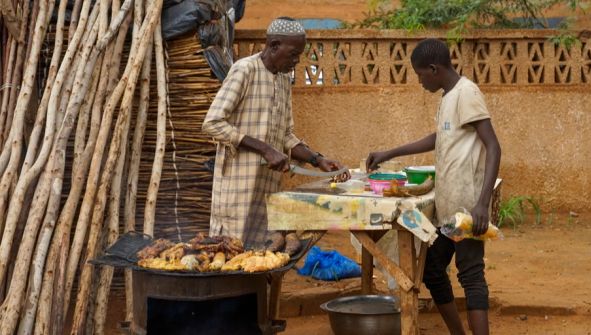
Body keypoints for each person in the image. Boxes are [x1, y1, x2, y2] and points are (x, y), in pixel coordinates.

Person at [366, 38, 501, 335]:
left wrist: (482, 203)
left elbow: (493, 146)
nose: (419, 81)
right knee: (432, 270)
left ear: (434, 68)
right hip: (448, 209)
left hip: (468, 209)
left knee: (471, 274)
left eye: (420, 75)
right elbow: (439, 138)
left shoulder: (467, 93)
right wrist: (390, 153)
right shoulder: (448, 96)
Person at [203, 17, 348, 246]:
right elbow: (213, 123)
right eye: (292, 54)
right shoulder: (244, 70)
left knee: (263, 257)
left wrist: (316, 159)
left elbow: (286, 136)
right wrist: (265, 149)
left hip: (267, 189)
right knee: (230, 253)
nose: (297, 60)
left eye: (299, 54)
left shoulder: (283, 80)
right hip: (237, 188)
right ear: (273, 46)